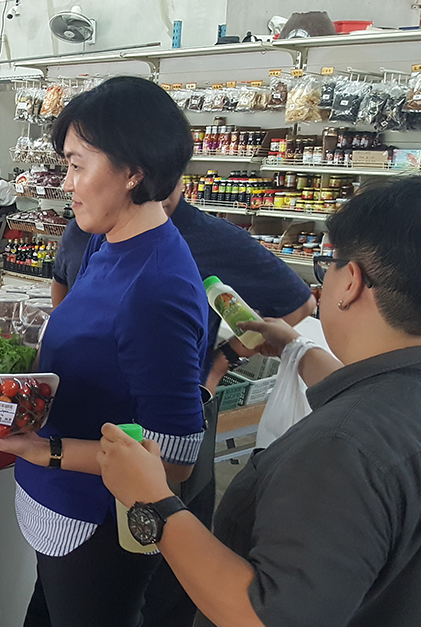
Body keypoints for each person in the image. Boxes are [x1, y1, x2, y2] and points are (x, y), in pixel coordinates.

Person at [98, 176, 421, 627]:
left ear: (350, 281)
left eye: (326, 265)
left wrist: (152, 500)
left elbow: (261, 614)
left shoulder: (340, 449)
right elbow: (379, 405)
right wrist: (297, 349)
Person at [0, 76, 207, 627]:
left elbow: (173, 457)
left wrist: (45, 451)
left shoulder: (156, 287)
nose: (67, 183)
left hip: (97, 521)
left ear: (133, 171)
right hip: (61, 507)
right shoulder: (110, 242)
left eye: (79, 165)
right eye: (66, 165)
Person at [140, 179, 316, 627]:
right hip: (109, 420)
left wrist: (222, 361)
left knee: (172, 553)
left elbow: (298, 303)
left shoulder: (207, 236)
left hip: (185, 408)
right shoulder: (90, 225)